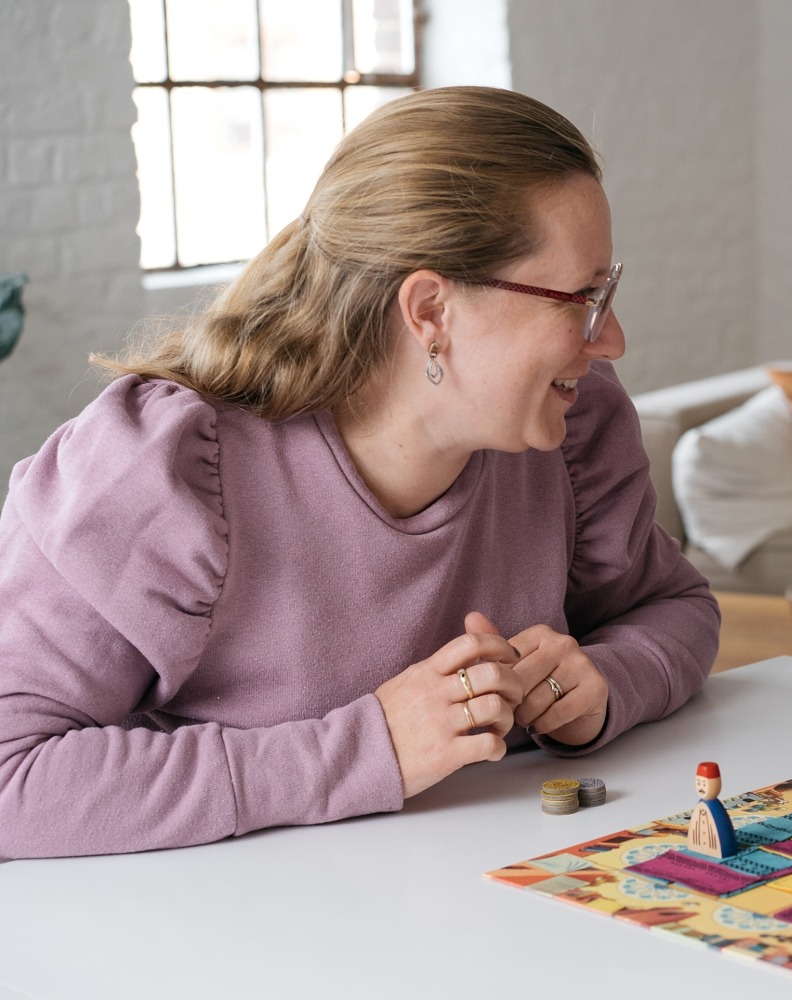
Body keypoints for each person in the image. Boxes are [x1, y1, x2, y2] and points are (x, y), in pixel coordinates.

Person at [0, 87, 719, 859]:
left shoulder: (573, 427)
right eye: (580, 298)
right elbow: (13, 780)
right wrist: (369, 748)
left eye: (606, 293)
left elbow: (675, 607)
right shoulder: (160, 470)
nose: (610, 338)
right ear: (430, 311)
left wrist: (607, 682)